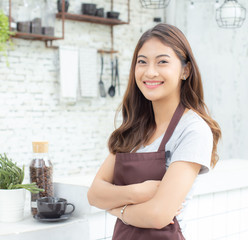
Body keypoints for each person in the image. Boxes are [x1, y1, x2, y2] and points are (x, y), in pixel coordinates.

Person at [87, 23, 221, 240]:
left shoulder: (193, 130)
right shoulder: (134, 128)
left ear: (185, 71)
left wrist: (115, 209)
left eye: (162, 62)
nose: (150, 72)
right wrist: (138, 192)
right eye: (142, 62)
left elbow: (158, 215)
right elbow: (94, 194)